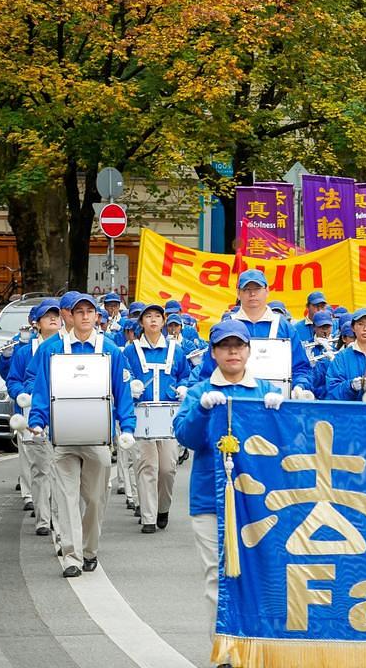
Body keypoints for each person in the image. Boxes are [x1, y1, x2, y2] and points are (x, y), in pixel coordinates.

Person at [173, 320, 284, 668]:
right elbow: (186, 437)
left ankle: (257, 644)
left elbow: (287, 444)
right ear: (213, 352)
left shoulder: (265, 390)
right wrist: (201, 410)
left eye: (238, 345)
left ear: (249, 350)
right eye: (224, 346)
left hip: (259, 504)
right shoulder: (199, 392)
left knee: (259, 574)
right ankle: (224, 650)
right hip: (210, 500)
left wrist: (283, 413)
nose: (232, 351)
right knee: (217, 576)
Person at [24, 294, 136, 577]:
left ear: (97, 317)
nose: (85, 316)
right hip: (62, 437)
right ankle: (72, 557)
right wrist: (37, 420)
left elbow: (122, 392)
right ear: (70, 316)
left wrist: (128, 426)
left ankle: (89, 549)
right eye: (79, 312)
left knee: (95, 499)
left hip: (98, 437)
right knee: (66, 497)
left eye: (90, 312)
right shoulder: (52, 350)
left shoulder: (110, 350)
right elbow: (42, 389)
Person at [124, 304, 191, 533]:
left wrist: (183, 387)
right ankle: (148, 517)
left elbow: (185, 375)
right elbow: (123, 376)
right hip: (141, 414)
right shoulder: (130, 351)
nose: (153, 320)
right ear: (141, 322)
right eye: (148, 317)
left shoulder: (175, 350)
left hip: (169, 415)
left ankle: (163, 508)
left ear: (163, 321)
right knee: (147, 465)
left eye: (157, 317)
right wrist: (130, 385)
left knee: (167, 468)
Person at [193, 270, 312, 396]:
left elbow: (301, 367)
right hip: (232, 401)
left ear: (267, 291)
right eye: (246, 289)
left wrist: (300, 386)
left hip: (278, 401)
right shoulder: (225, 327)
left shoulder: (284, 327)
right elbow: (208, 370)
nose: (252, 293)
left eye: (257, 288)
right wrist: (209, 394)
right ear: (238, 293)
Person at [6, 298, 60, 536]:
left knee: (61, 469)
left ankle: (59, 516)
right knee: (40, 468)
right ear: (36, 323)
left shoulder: (68, 347)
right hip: (34, 414)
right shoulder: (25, 352)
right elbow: (14, 380)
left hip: (64, 415)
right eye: (47, 316)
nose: (53, 319)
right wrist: (23, 394)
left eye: (56, 315)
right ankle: (43, 519)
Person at [326, 308, 366, 400]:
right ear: (353, 327)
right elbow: (332, 389)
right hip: (351, 408)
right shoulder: (342, 357)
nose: (365, 329)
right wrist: (350, 386)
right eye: (360, 324)